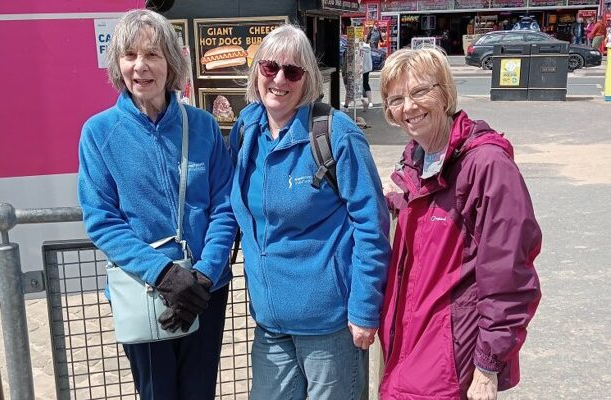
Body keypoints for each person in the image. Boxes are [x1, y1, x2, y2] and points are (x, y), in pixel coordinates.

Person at [77, 9, 237, 400]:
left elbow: (224, 207)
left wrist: (204, 275)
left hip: (205, 292)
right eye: (130, 55)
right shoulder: (99, 133)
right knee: (157, 393)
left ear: (171, 63)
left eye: (152, 54)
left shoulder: (202, 126)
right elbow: (102, 220)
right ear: (118, 64)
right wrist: (164, 274)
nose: (140, 66)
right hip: (144, 290)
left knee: (199, 391)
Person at [229, 24, 391, 400]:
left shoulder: (336, 135)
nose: (279, 80)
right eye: (270, 67)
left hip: (329, 325)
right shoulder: (246, 129)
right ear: (257, 71)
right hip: (270, 323)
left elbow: (371, 226)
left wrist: (364, 309)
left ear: (307, 79)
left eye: (292, 71)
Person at [378, 47, 542, 400]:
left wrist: (488, 364)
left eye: (420, 92)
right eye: (396, 99)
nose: (408, 107)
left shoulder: (486, 166)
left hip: (448, 359)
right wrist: (397, 200)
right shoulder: (418, 161)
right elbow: (433, 223)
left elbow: (509, 273)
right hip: (408, 347)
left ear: (445, 93)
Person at [361, 41, 374, 110]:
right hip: (367, 69)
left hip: (360, 69)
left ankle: (348, 102)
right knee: (366, 84)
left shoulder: (360, 48)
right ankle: (370, 102)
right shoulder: (367, 47)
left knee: (356, 85)